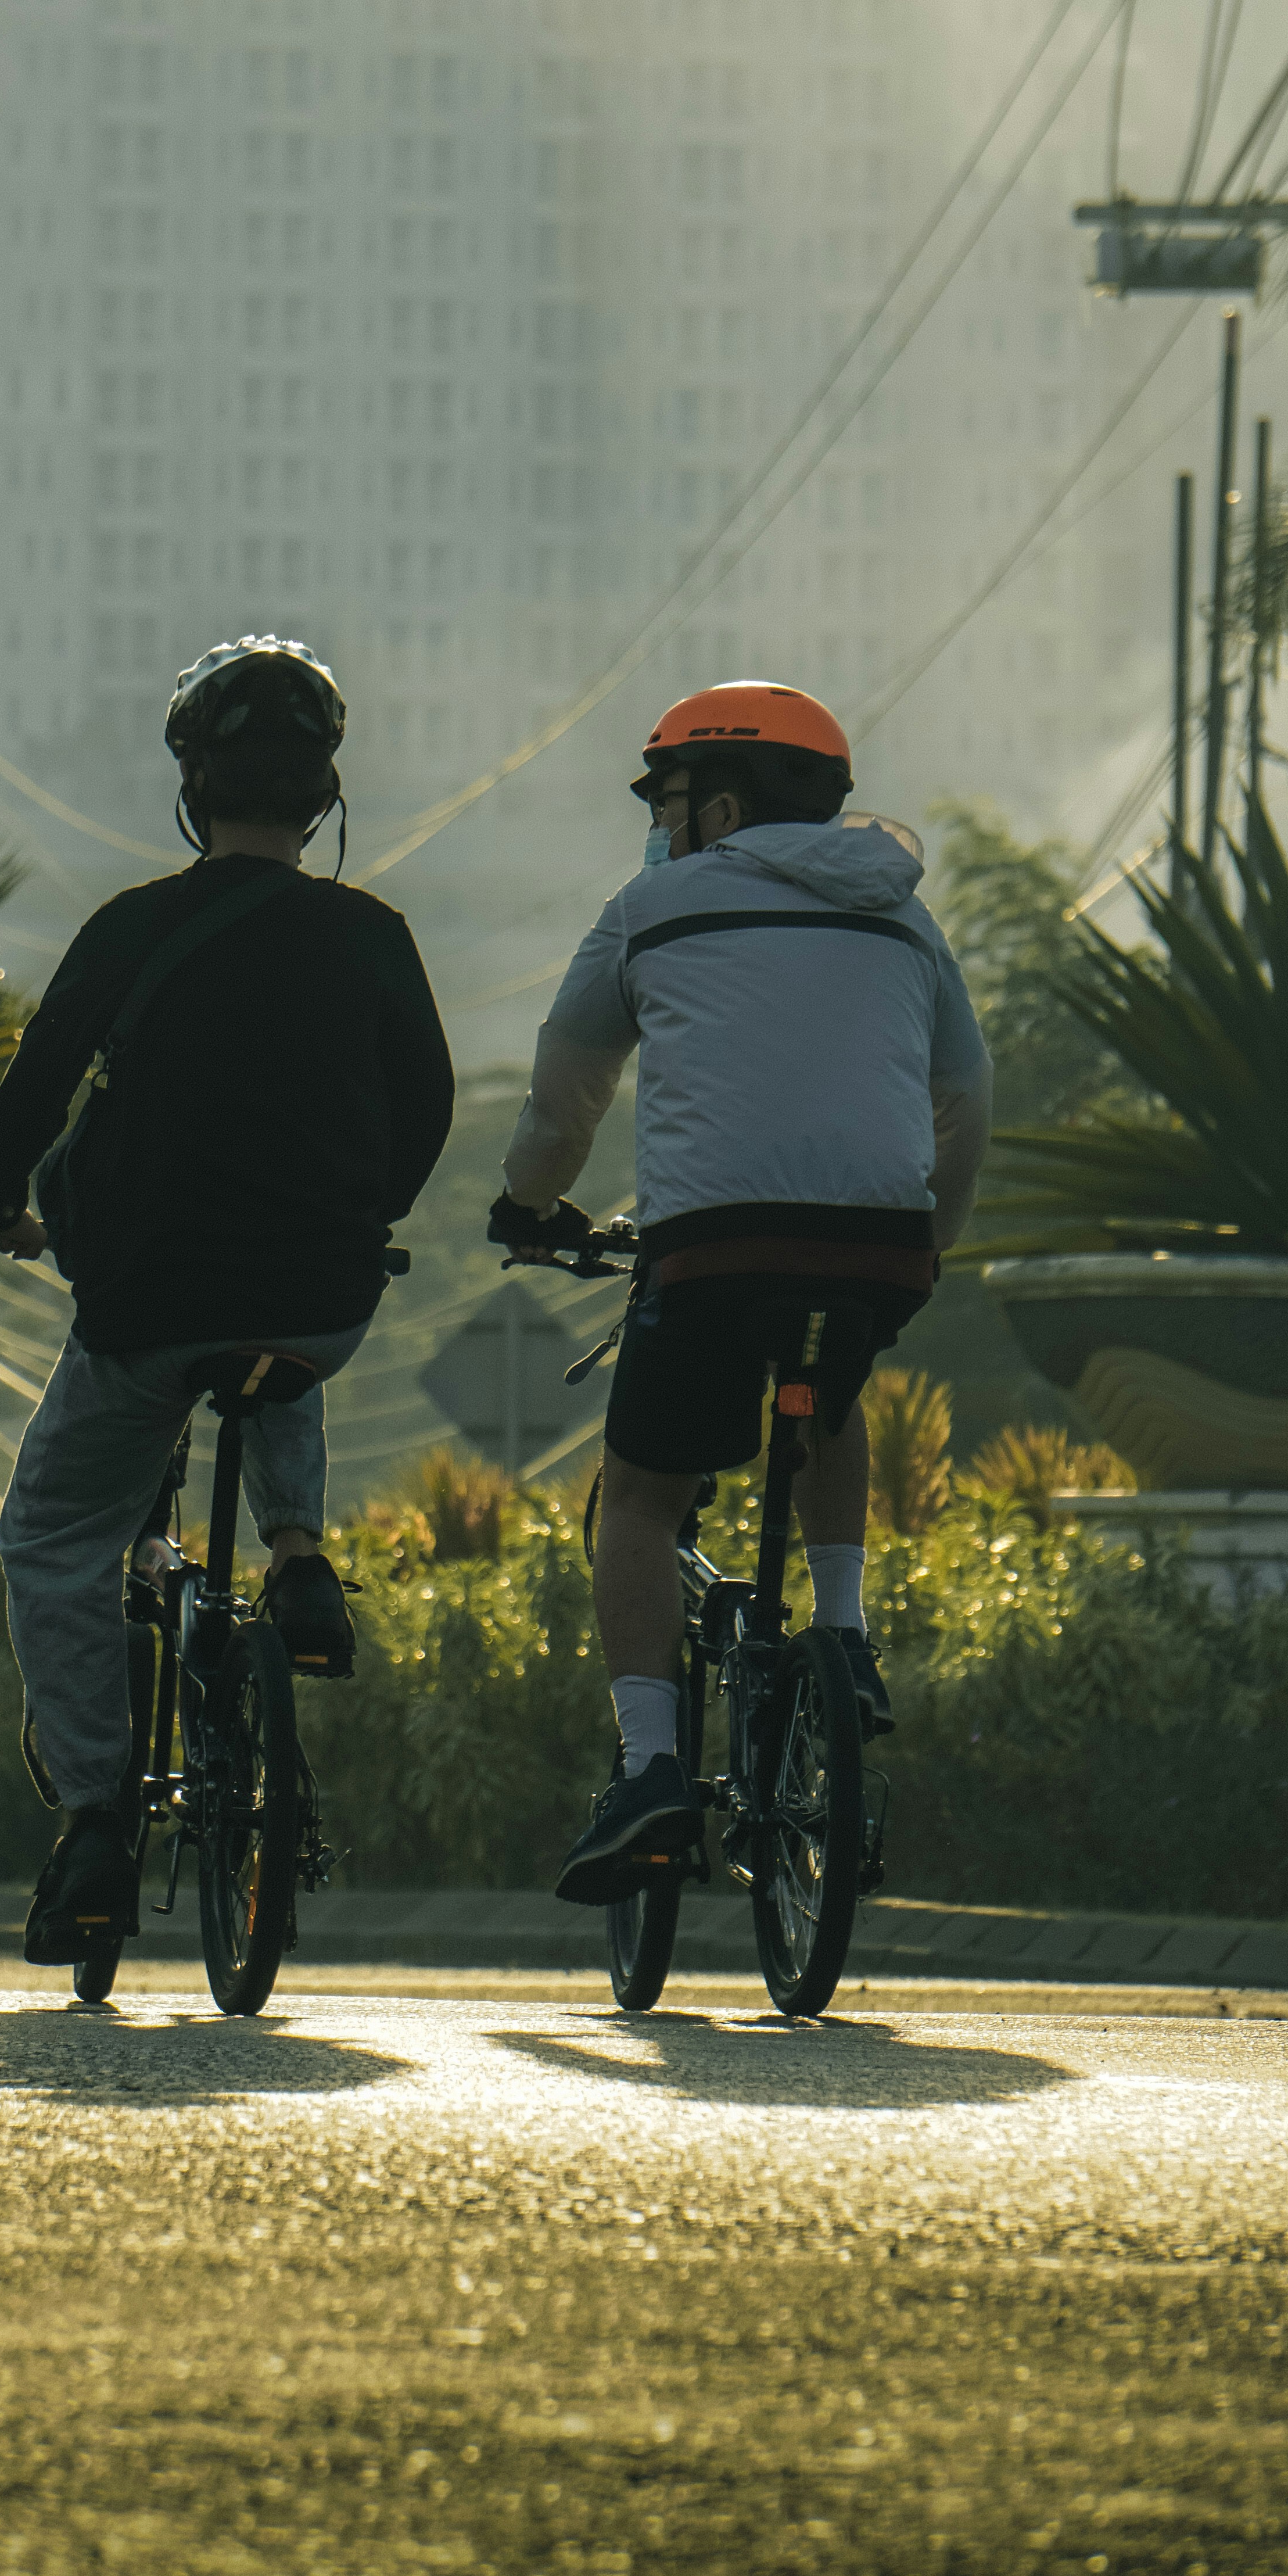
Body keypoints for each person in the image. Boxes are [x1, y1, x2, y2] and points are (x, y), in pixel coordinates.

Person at [0, 636, 454, 1964]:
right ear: (321, 799)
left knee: (54, 1539)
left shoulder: (134, 926)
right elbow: (429, 1108)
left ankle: (92, 1826)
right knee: (281, 1346)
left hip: (152, 1302)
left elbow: (35, 1087)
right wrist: (362, 1215)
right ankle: (299, 1556)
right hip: (320, 1291)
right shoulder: (375, 936)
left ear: (193, 788)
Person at [488, 680, 991, 1904]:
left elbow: (566, 1098)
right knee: (828, 1388)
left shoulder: (651, 906)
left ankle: (651, 1771)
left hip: (710, 1249)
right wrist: (922, 1243)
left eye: (667, 799)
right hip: (875, 1244)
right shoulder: (903, 918)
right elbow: (963, 1098)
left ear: (717, 805)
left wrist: (527, 1204)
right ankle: (841, 1632)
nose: (660, 824)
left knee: (640, 1497)